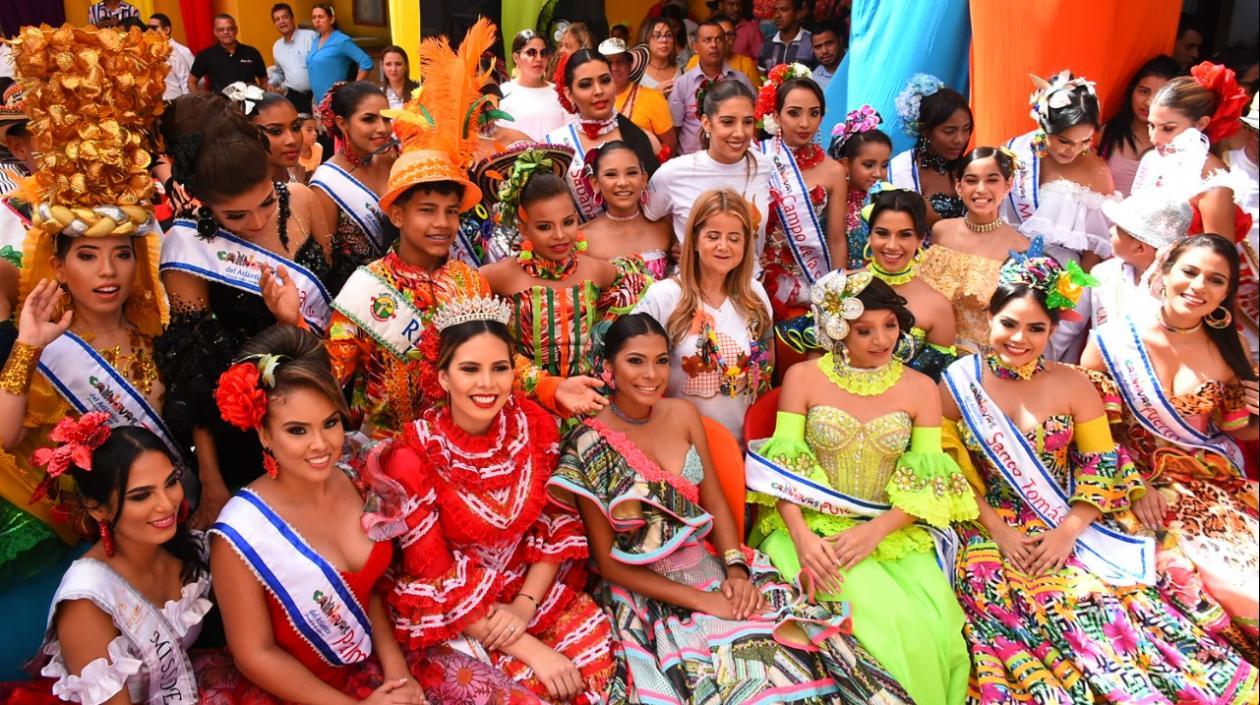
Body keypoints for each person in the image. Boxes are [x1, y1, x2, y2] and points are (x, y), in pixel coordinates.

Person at [940, 248, 1257, 703]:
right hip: (990, 526)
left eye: (1036, 328)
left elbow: (1100, 465)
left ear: (1053, 331)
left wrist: (1067, 532)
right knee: (1014, 610)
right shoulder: (956, 383)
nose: (1019, 338)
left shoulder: (1072, 383)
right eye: (1009, 323)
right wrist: (1000, 533)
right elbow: (948, 470)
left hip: (1073, 520)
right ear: (989, 317)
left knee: (1109, 604)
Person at [551, 313, 914, 704]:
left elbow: (716, 504)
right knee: (733, 684)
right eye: (635, 361)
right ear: (608, 367)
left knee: (812, 656)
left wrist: (737, 571)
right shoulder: (586, 442)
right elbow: (607, 562)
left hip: (713, 567)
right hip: (647, 592)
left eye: (660, 361)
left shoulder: (683, 413)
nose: (652, 374)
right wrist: (704, 602)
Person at [205, 325, 540, 705]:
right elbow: (255, 656)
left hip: (377, 665)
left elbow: (373, 591)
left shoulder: (360, 478)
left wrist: (397, 673)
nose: (321, 445)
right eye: (297, 431)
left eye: (330, 423)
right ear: (264, 434)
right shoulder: (239, 533)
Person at [0, 25, 194, 674]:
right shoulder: (44, 341)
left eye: (119, 254)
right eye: (88, 255)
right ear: (59, 260)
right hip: (68, 544)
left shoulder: (154, 335)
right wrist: (26, 346)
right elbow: (4, 437)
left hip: (151, 535)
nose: (107, 272)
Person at [323, 22, 605, 440]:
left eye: (451, 211)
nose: (442, 223)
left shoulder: (469, 281)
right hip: (391, 453)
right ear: (397, 216)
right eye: (427, 211)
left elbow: (503, 357)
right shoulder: (368, 287)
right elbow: (332, 373)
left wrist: (552, 386)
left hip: (467, 445)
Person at [750, 271, 975, 705]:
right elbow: (783, 470)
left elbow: (929, 483)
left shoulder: (921, 388)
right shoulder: (803, 377)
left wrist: (875, 532)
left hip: (890, 532)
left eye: (890, 325)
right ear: (837, 329)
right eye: (864, 330)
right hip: (807, 528)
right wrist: (802, 540)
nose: (881, 340)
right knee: (865, 615)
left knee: (921, 624)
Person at [378, 298, 616, 704]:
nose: (487, 384)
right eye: (469, 369)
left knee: (593, 672)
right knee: (533, 691)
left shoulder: (535, 424)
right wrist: (529, 648)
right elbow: (432, 571)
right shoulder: (412, 453)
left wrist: (524, 607)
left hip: (532, 593)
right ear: (444, 378)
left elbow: (554, 522)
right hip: (455, 618)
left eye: (499, 368)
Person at [1083, 234, 1259, 658]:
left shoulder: (1228, 343)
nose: (1199, 286)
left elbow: (1241, 430)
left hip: (1212, 483)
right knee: (1202, 580)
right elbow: (1084, 429)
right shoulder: (1112, 340)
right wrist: (1134, 484)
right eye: (1190, 272)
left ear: (1226, 293)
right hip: (1133, 484)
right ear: (1164, 272)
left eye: (1216, 280)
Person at [156, 92, 334, 498]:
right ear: (205, 202)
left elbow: (335, 302)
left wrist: (292, 321)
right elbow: (194, 374)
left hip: (326, 398)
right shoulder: (189, 249)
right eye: (234, 216)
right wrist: (212, 483)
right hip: (247, 429)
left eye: (268, 202)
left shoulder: (304, 202)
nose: (256, 222)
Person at [20, 424, 216, 705]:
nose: (167, 503)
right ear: (96, 508)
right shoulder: (86, 602)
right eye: (141, 496)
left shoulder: (185, 547)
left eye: (171, 482)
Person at [481, 150, 649, 381]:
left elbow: (636, 285)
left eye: (568, 222)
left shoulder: (595, 270)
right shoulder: (501, 276)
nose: (560, 235)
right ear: (523, 228)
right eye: (544, 227)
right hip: (528, 404)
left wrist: (602, 343)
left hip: (589, 399)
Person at [634, 189, 772, 442]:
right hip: (680, 444)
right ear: (695, 240)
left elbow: (767, 366)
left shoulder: (756, 294)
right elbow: (630, 367)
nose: (724, 246)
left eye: (734, 238)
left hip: (745, 445)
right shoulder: (663, 297)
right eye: (713, 236)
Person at [755, 68, 847, 320]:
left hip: (810, 281)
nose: (805, 123)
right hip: (758, 278)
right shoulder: (758, 159)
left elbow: (837, 239)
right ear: (776, 115)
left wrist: (837, 294)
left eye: (814, 113)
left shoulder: (834, 171)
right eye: (794, 113)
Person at [1002, 72, 1115, 277]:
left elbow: (1095, 247)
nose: (1073, 150)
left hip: (1062, 273)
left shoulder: (1095, 171)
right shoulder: (1016, 151)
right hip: (1006, 258)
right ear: (1043, 126)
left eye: (1085, 141)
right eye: (1065, 141)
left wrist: (1077, 289)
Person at [920, 148, 1030, 353]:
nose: (980, 189)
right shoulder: (941, 231)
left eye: (991, 180)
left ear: (1008, 185)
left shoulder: (1021, 248)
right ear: (958, 186)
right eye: (971, 180)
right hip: (930, 349)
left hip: (983, 361)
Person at [648, 79, 771, 252]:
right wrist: (671, 246)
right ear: (706, 123)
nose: (739, 133)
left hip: (752, 278)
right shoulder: (673, 173)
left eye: (748, 122)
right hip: (692, 278)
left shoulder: (765, 166)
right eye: (728, 122)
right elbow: (648, 218)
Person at [1132, 62, 1251, 240]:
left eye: (1168, 128)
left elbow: (1217, 255)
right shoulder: (1153, 160)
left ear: (1201, 124)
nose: (1154, 138)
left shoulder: (1212, 178)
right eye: (1151, 125)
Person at [545, 49, 661, 223]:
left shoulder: (645, 140)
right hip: (584, 247)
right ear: (569, 94)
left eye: (605, 80)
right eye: (585, 84)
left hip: (641, 245)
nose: (598, 91)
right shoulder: (555, 147)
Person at [856, 187, 957, 380]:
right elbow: (817, 362)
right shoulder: (841, 286)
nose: (892, 245)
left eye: (904, 235)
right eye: (882, 233)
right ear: (869, 235)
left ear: (920, 239)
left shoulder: (938, 306)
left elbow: (934, 384)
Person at [310, 82, 399, 294]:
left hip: (414, 290)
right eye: (369, 119)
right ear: (342, 123)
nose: (382, 128)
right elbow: (326, 262)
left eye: (386, 118)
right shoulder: (326, 183)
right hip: (362, 300)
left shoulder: (394, 161)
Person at [581, 141, 673, 280]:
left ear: (643, 179)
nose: (623, 183)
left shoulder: (666, 227)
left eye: (631, 173)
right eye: (611, 175)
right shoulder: (582, 239)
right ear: (595, 183)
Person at [889, 75, 973, 224]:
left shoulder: (972, 165)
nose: (960, 139)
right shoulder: (901, 170)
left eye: (966, 129)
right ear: (925, 130)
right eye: (949, 131)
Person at [1097, 55, 1182, 197]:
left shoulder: (1177, 144)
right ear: (1132, 91)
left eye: (1160, 95)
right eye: (1143, 91)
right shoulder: (1107, 132)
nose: (1148, 102)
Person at [670, 19, 755, 155]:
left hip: (733, 159)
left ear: (726, 43)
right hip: (693, 162)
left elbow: (754, 119)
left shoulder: (740, 80)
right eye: (707, 40)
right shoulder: (683, 83)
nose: (714, 45)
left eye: (719, 39)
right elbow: (675, 128)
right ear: (695, 47)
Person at [828, 106, 891, 269]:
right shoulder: (831, 201)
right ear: (845, 164)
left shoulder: (890, 199)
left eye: (884, 165)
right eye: (868, 165)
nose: (878, 173)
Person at [601, 39, 677, 157]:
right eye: (609, 63)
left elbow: (670, 143)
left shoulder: (652, 98)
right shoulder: (594, 99)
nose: (614, 67)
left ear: (630, 64)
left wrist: (652, 168)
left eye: (620, 61)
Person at [499, 30, 568, 141]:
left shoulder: (559, 92)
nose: (539, 59)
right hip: (515, 157)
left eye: (543, 53)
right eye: (531, 52)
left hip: (557, 157)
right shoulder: (503, 93)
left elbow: (570, 133)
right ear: (516, 57)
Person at [307, 4, 373, 109]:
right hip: (318, 101)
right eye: (314, 17)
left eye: (321, 17)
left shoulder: (341, 40)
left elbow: (366, 62)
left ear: (332, 19)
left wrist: (354, 89)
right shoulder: (315, 41)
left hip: (336, 100)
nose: (317, 20)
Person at [235, 89, 307, 184]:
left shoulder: (298, 173)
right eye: (276, 131)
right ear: (249, 134)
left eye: (295, 127)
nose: (291, 140)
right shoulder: (241, 191)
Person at [188, 15, 266, 93]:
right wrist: (201, 103)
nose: (226, 32)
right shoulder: (205, 56)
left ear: (236, 30)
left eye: (230, 29)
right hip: (220, 103)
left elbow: (264, 80)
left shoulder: (252, 52)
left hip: (251, 102)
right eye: (221, 29)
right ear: (215, 32)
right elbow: (191, 82)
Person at [683, 14, 761, 87]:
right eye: (720, 36)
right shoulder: (695, 61)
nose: (725, 39)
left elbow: (756, 99)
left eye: (729, 35)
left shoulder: (746, 64)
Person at [269, 2, 317, 114]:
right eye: (277, 19)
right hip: (294, 97)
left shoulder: (311, 36)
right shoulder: (277, 46)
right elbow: (279, 71)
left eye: (285, 17)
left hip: (316, 95)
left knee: (320, 130)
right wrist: (272, 83)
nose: (281, 21)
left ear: (292, 18)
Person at [148, 13, 194, 102]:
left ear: (166, 30)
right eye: (148, 28)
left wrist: (187, 106)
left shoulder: (182, 51)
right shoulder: (149, 51)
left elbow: (194, 81)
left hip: (176, 104)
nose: (149, 31)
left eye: (153, 28)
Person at [759, 0, 814, 72]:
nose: (777, 15)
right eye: (775, 11)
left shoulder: (811, 41)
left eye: (784, 10)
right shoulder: (768, 44)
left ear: (797, 14)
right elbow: (761, 75)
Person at [638, 18, 683, 97]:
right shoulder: (637, 75)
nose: (664, 40)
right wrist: (655, 95)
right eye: (657, 36)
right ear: (646, 39)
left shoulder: (682, 72)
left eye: (668, 35)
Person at [376, 45, 419, 110]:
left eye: (398, 64)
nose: (393, 69)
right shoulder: (377, 95)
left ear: (406, 66)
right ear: (382, 66)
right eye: (388, 64)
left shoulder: (419, 91)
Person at [809, 22, 841, 88]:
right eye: (818, 47)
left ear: (840, 41)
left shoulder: (858, 65)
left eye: (829, 44)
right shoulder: (813, 80)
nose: (824, 51)